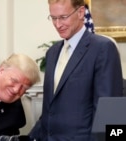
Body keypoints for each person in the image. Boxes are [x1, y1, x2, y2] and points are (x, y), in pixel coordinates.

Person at [29, 0, 123, 141]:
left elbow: (109, 111)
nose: (58, 24)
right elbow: (50, 110)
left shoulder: (102, 48)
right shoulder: (52, 53)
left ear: (80, 13)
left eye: (63, 17)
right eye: (53, 18)